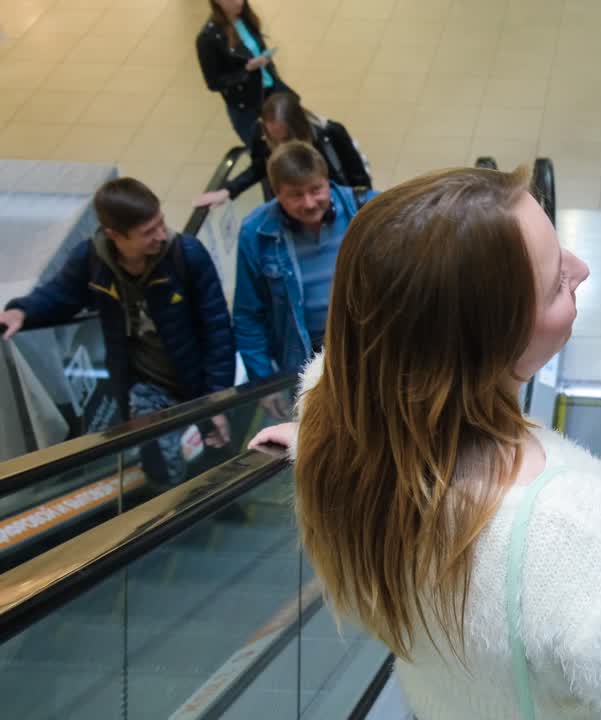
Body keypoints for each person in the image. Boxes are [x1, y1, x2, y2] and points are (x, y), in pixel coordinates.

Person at [248, 168, 601, 718]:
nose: (583, 268)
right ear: (488, 344)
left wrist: (313, 440)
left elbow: (358, 422)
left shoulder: (342, 423)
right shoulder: (584, 534)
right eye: (557, 285)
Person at [1, 179, 235, 484]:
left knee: (213, 460)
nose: (161, 236)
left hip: (195, 384)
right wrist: (22, 310)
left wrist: (216, 400)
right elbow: (61, 295)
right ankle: (168, 508)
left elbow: (217, 329)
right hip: (142, 387)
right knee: (159, 463)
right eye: (148, 232)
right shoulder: (92, 260)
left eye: (161, 223)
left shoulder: (186, 255)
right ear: (115, 236)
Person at [233, 141, 374, 398]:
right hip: (303, 364)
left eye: (316, 189)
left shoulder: (368, 211)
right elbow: (248, 317)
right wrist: (264, 386)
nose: (309, 203)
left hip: (368, 351)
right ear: (276, 193)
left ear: (327, 180)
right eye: (296, 195)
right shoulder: (256, 233)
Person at [193, 92, 370, 208]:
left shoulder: (329, 134)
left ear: (299, 127)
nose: (280, 148)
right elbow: (257, 168)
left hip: (336, 207)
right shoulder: (261, 135)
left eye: (286, 139)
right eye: (273, 140)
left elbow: (359, 178)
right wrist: (228, 191)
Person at [197, 0, 291, 144]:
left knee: (294, 140)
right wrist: (246, 70)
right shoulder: (208, 38)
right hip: (247, 106)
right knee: (266, 150)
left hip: (271, 91)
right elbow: (214, 83)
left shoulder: (245, 18)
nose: (239, 2)